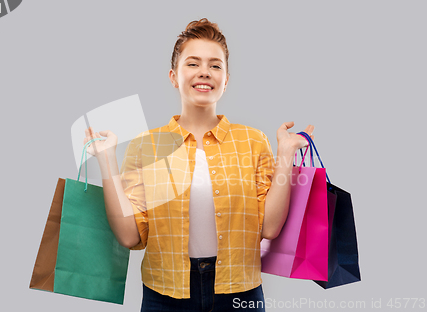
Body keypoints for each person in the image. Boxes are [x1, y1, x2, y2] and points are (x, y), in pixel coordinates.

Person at [83, 18, 314, 312]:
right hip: (164, 294)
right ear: (173, 75)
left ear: (226, 79)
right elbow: (130, 236)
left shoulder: (253, 141)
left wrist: (285, 154)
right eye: (193, 64)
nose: (204, 72)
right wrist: (106, 159)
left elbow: (269, 228)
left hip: (239, 292)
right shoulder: (147, 146)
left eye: (215, 65)